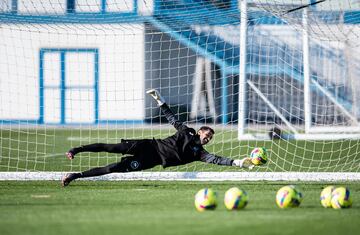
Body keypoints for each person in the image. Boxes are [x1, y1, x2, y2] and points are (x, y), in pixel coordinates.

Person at [61, 89, 255, 186]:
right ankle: (76, 149)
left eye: (210, 138)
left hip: (150, 160)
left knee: (113, 168)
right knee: (109, 147)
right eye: (207, 134)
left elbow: (216, 159)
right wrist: (159, 100)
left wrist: (238, 162)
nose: (208, 139)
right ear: (199, 132)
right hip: (148, 146)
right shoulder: (186, 131)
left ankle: (75, 176)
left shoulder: (200, 153)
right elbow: (171, 118)